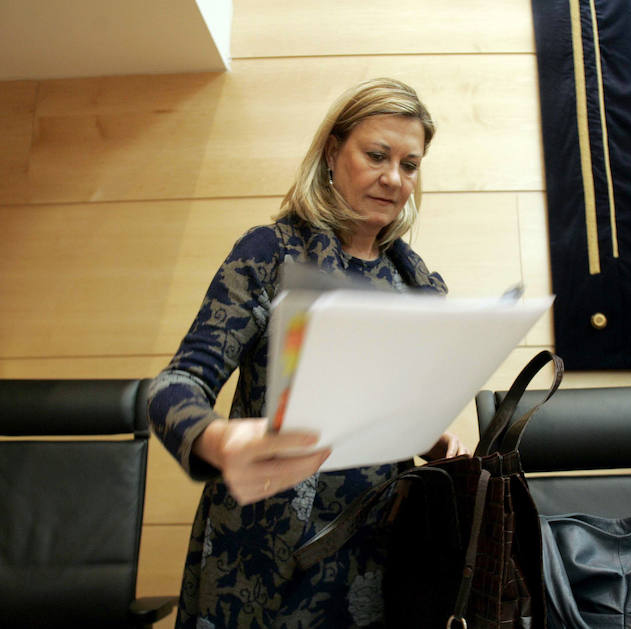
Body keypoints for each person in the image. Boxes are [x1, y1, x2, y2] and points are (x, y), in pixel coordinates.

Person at [148, 78, 468, 628]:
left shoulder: (416, 284)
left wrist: (428, 436)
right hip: (264, 562)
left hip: (380, 564)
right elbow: (175, 386)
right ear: (332, 152)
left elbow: (388, 409)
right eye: (376, 156)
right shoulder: (270, 254)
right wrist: (217, 439)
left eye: (410, 165)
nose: (394, 178)